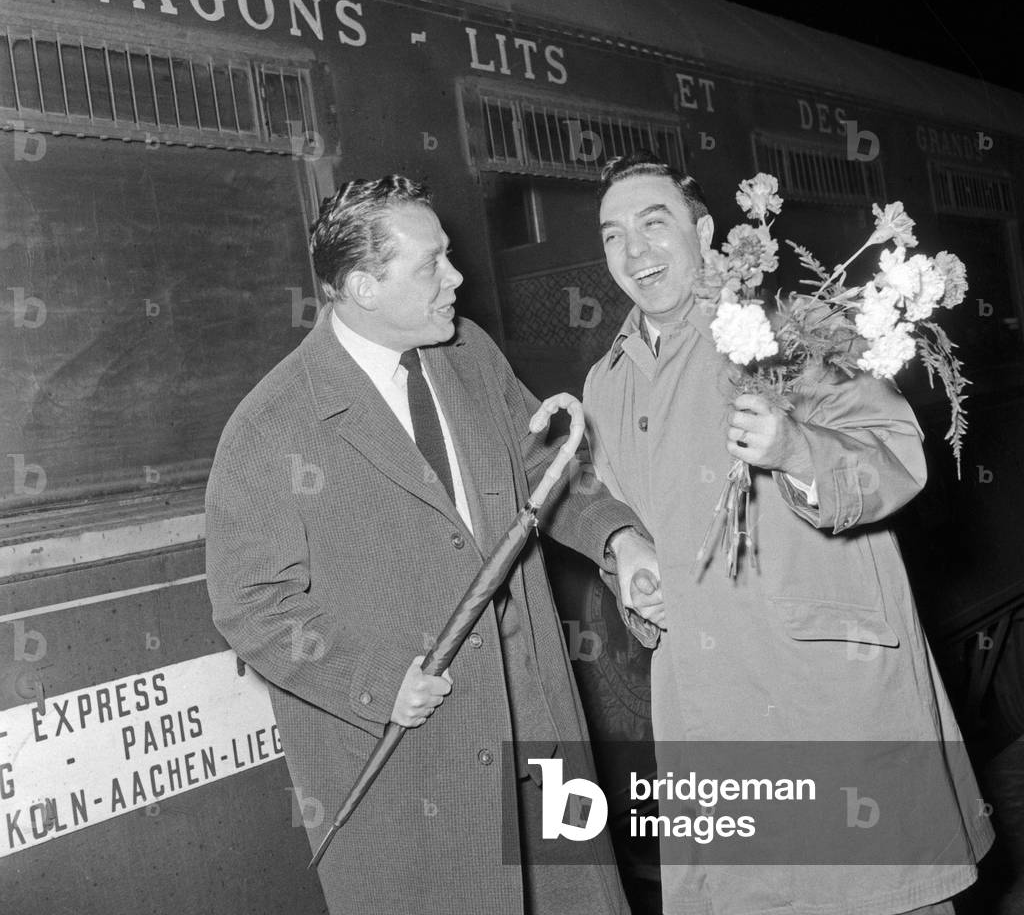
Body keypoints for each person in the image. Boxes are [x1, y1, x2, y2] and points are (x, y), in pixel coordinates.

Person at [204, 174, 659, 915]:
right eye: (432, 265)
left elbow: (544, 470)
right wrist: (377, 682)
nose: (458, 278)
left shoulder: (468, 354)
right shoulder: (273, 424)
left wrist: (618, 540)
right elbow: (251, 604)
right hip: (422, 760)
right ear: (362, 287)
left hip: (539, 726)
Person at [583, 152, 994, 915]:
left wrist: (793, 450)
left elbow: (897, 459)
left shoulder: (789, 329)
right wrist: (630, 572)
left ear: (705, 232)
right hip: (707, 705)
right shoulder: (607, 383)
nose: (634, 251)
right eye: (612, 236)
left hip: (820, 687)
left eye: (654, 223)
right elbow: (626, 523)